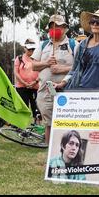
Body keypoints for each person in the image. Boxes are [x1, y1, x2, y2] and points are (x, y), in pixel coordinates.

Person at [54, 8, 99, 179]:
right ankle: (79, 169)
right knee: (79, 132)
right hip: (79, 93)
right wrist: (63, 82)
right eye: (93, 22)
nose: (95, 25)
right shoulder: (82, 45)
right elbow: (75, 70)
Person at [31, 14, 75, 144]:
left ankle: (63, 146)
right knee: (48, 123)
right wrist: (46, 63)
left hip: (67, 91)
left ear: (65, 28)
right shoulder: (44, 45)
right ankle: (49, 149)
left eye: (58, 26)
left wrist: (62, 69)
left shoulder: (73, 45)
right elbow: (33, 66)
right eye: (52, 27)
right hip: (45, 92)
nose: (55, 29)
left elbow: (80, 67)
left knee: (65, 123)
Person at [14, 38, 40, 124]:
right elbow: (16, 72)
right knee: (22, 107)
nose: (31, 51)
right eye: (29, 49)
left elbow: (42, 72)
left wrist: (35, 82)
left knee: (35, 107)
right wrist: (24, 82)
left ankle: (36, 124)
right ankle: (21, 124)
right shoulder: (19, 58)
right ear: (25, 48)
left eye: (33, 49)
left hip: (34, 87)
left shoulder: (38, 58)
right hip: (21, 87)